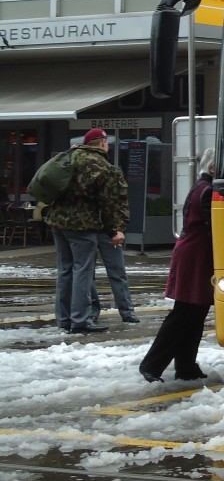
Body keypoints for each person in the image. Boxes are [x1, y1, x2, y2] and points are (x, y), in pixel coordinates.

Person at [42, 129, 129, 335]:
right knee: (83, 271)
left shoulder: (70, 156)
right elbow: (106, 204)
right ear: (102, 143)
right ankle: (80, 319)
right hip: (83, 225)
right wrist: (112, 231)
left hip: (58, 221)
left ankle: (63, 319)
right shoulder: (102, 166)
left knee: (65, 270)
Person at [139, 148, 216, 383]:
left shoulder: (201, 187)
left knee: (195, 312)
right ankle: (152, 365)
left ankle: (186, 366)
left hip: (194, 254)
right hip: (196, 256)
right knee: (185, 313)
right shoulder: (208, 191)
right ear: (213, 168)